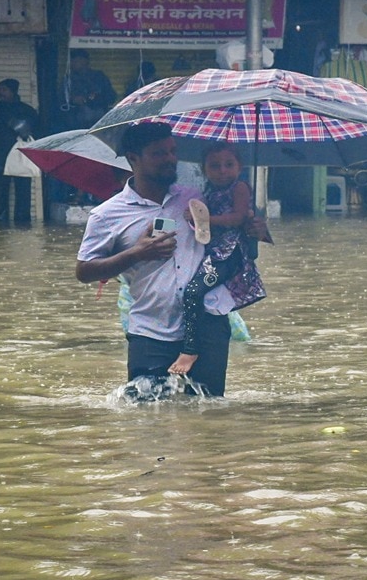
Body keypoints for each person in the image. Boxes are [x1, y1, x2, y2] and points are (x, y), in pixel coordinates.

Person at [75, 123, 269, 397]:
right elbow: (84, 271)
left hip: (207, 326)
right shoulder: (107, 215)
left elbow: (232, 232)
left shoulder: (195, 198)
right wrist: (137, 253)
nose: (170, 159)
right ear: (133, 158)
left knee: (209, 411)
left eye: (172, 151)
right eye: (158, 153)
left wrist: (255, 229)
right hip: (150, 330)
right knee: (145, 414)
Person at [168, 143, 265, 376]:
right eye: (214, 166)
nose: (222, 170)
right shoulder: (207, 191)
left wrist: (205, 220)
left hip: (229, 254)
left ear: (240, 167)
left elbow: (237, 218)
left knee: (193, 291)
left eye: (229, 165)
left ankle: (190, 349)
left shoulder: (240, 187)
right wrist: (193, 218)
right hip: (211, 252)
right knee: (190, 291)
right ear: (204, 169)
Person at [0, 78, 39, 226]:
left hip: (21, 156)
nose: (1, 93)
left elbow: (37, 133)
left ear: (13, 91)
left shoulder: (27, 111)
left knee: (23, 192)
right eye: (0, 89)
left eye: (4, 90)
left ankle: (23, 224)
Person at [61, 49, 116, 131]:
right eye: (72, 61)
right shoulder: (69, 79)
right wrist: (73, 100)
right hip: (76, 124)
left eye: (75, 61)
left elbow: (111, 97)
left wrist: (96, 97)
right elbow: (61, 100)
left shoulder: (99, 76)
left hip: (98, 121)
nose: (72, 64)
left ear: (84, 61)